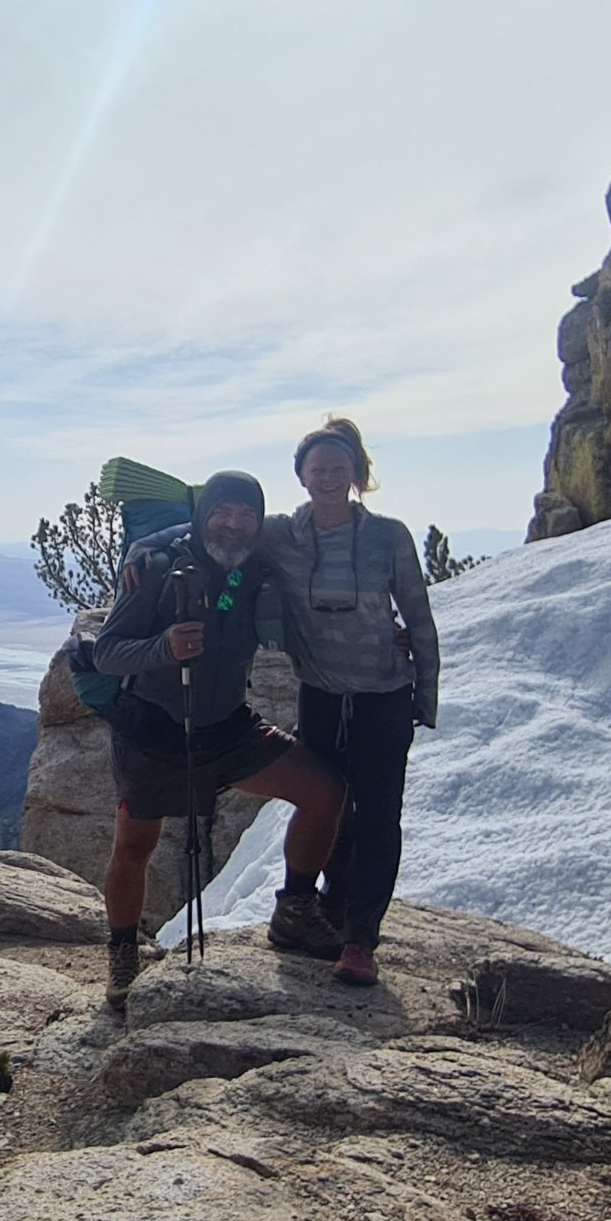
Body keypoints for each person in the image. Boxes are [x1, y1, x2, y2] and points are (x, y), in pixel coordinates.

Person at [90, 470, 345, 1014]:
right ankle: (123, 952)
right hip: (155, 730)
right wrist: (162, 646)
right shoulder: (156, 568)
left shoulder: (258, 565)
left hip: (229, 726)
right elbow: (107, 652)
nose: (234, 525)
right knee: (134, 847)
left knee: (324, 792)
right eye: (223, 513)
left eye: (246, 515)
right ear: (204, 515)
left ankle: (295, 910)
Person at [262, 417, 438, 988]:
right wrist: (144, 556)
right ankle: (326, 915)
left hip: (383, 698)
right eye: (318, 467)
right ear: (301, 475)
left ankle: (360, 940)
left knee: (378, 818)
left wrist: (425, 696)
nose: (328, 476)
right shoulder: (280, 535)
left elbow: (418, 616)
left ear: (357, 473)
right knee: (327, 808)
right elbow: (216, 525)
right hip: (319, 697)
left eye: (339, 466)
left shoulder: (389, 536)